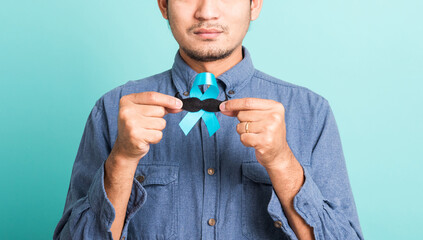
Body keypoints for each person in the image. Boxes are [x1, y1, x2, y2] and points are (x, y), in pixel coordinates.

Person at [53, 0, 363, 239]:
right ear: (164, 4)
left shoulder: (311, 112)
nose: (207, 12)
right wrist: (121, 159)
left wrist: (283, 163)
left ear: (254, 4)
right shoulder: (112, 111)